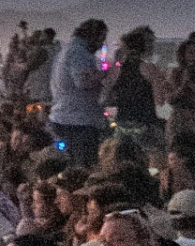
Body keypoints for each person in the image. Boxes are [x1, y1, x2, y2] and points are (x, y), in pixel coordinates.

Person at [50, 20, 108, 169]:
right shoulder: (78, 53)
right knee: (83, 168)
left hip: (64, 117)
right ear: (93, 36)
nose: (101, 44)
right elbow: (83, 82)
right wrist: (105, 74)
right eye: (101, 39)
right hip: (78, 121)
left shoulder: (66, 50)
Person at [107, 29, 163, 153]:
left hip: (122, 123)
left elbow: (109, 94)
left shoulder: (116, 69)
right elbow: (159, 100)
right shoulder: (150, 68)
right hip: (145, 124)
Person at [164, 33, 195, 150]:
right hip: (180, 115)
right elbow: (170, 98)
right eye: (190, 52)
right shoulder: (175, 72)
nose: (194, 56)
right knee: (177, 149)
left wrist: (193, 87)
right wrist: (182, 86)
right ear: (183, 55)